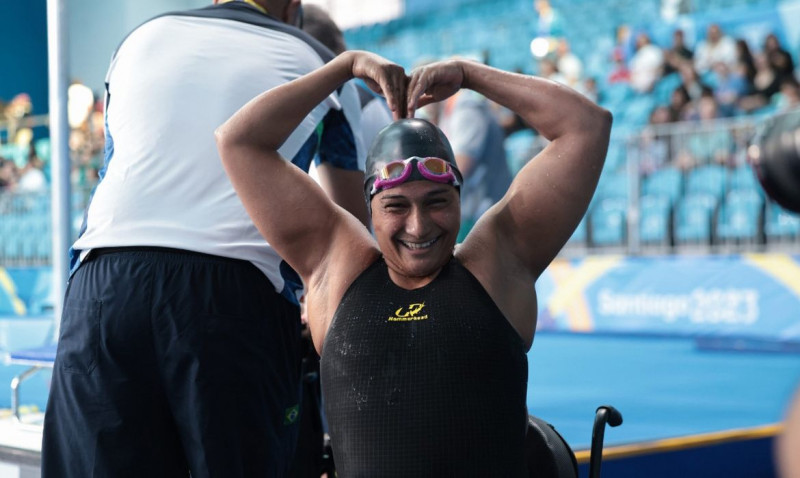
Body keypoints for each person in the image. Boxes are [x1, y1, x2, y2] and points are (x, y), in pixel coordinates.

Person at [215, 51, 611, 475]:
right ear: (370, 208)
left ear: (459, 198)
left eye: (437, 202)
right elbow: (238, 141)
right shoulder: (338, 268)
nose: (418, 226)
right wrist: (342, 69)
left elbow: (586, 126)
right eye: (396, 206)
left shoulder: (497, 265)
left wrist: (470, 74)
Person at [41, 1, 371, 476]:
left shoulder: (138, 39)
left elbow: (111, 171)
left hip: (102, 286)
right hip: (232, 296)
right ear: (293, 8)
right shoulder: (322, 62)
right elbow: (348, 232)